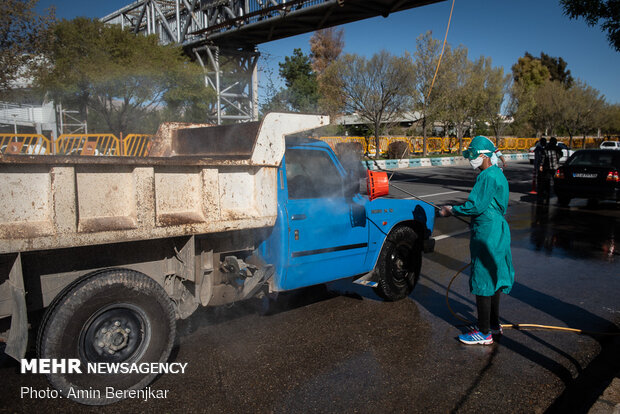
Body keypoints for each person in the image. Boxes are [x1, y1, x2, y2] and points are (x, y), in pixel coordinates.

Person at [439, 135, 515, 345]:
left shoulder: (487, 176)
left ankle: (483, 333)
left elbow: (476, 206)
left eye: (473, 154)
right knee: (493, 277)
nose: (470, 158)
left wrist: (451, 210)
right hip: (497, 230)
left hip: (487, 234)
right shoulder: (498, 174)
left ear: (484, 156)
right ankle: (493, 325)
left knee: (483, 279)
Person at [537, 137, 562, 204]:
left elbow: (543, 158)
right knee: (555, 182)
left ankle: (548, 194)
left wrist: (541, 166)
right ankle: (556, 194)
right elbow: (560, 155)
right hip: (554, 168)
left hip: (548, 168)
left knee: (548, 182)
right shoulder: (557, 149)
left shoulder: (547, 149)